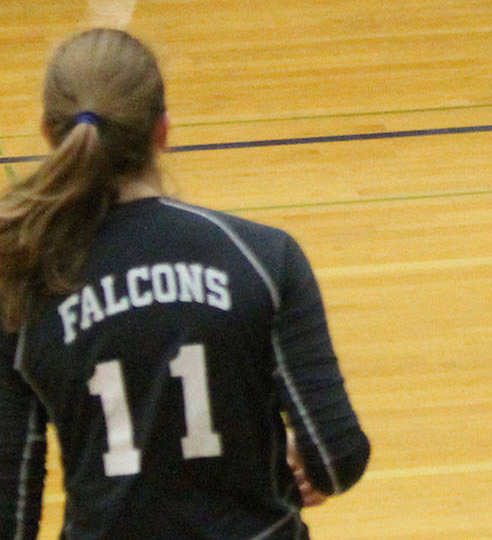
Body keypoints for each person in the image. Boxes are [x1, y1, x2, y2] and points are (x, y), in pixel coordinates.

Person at [0, 29, 371, 539]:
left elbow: (10, 510)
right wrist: (303, 464)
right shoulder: (261, 257)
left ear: (47, 132)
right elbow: (337, 458)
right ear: (163, 131)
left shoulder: (21, 278)